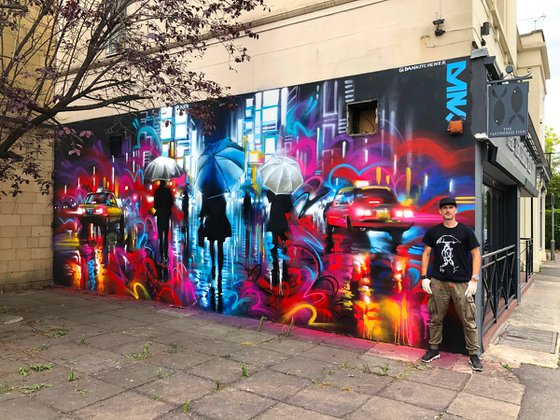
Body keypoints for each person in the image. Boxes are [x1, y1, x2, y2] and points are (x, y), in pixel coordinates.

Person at [420, 196, 483, 371]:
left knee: (468, 319)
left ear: (455, 210)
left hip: (462, 283)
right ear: (440, 211)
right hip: (438, 282)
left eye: (451, 207)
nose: (448, 210)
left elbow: (476, 255)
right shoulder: (434, 232)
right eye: (445, 208)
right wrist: (424, 277)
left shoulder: (466, 231)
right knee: (436, 318)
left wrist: (474, 279)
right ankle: (434, 349)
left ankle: (474, 354)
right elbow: (426, 253)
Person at [199, 194, 231, 280]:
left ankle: (213, 263)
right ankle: (220, 270)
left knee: (211, 243)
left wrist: (202, 219)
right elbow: (224, 209)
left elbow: (204, 210)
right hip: (221, 223)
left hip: (211, 222)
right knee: (220, 246)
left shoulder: (207, 194)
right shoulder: (222, 195)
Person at [153, 180, 174, 263]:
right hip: (166, 215)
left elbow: (155, 205)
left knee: (160, 236)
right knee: (166, 236)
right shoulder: (168, 191)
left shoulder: (157, 191)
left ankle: (161, 255)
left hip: (160, 215)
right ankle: (166, 255)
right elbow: (171, 203)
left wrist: (159, 207)